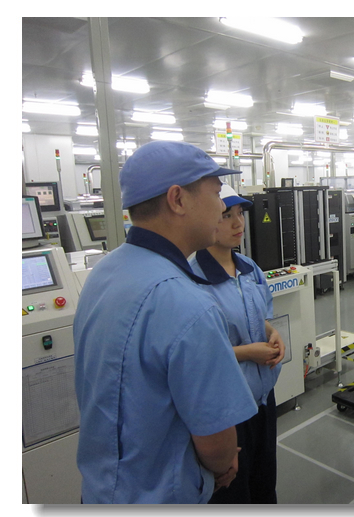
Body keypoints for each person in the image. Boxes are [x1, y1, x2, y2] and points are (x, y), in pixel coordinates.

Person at [73, 141, 258, 504]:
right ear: (178, 200)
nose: (221, 206)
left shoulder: (103, 274)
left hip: (99, 493)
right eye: (216, 193)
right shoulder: (188, 304)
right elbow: (218, 445)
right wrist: (223, 465)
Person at [189, 184, 285, 504]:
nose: (238, 223)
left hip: (262, 398)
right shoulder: (193, 279)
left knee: (264, 482)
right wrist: (248, 353)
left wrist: (272, 333)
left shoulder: (249, 268)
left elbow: (259, 316)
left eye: (240, 213)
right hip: (228, 407)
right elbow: (197, 355)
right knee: (234, 492)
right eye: (226, 215)